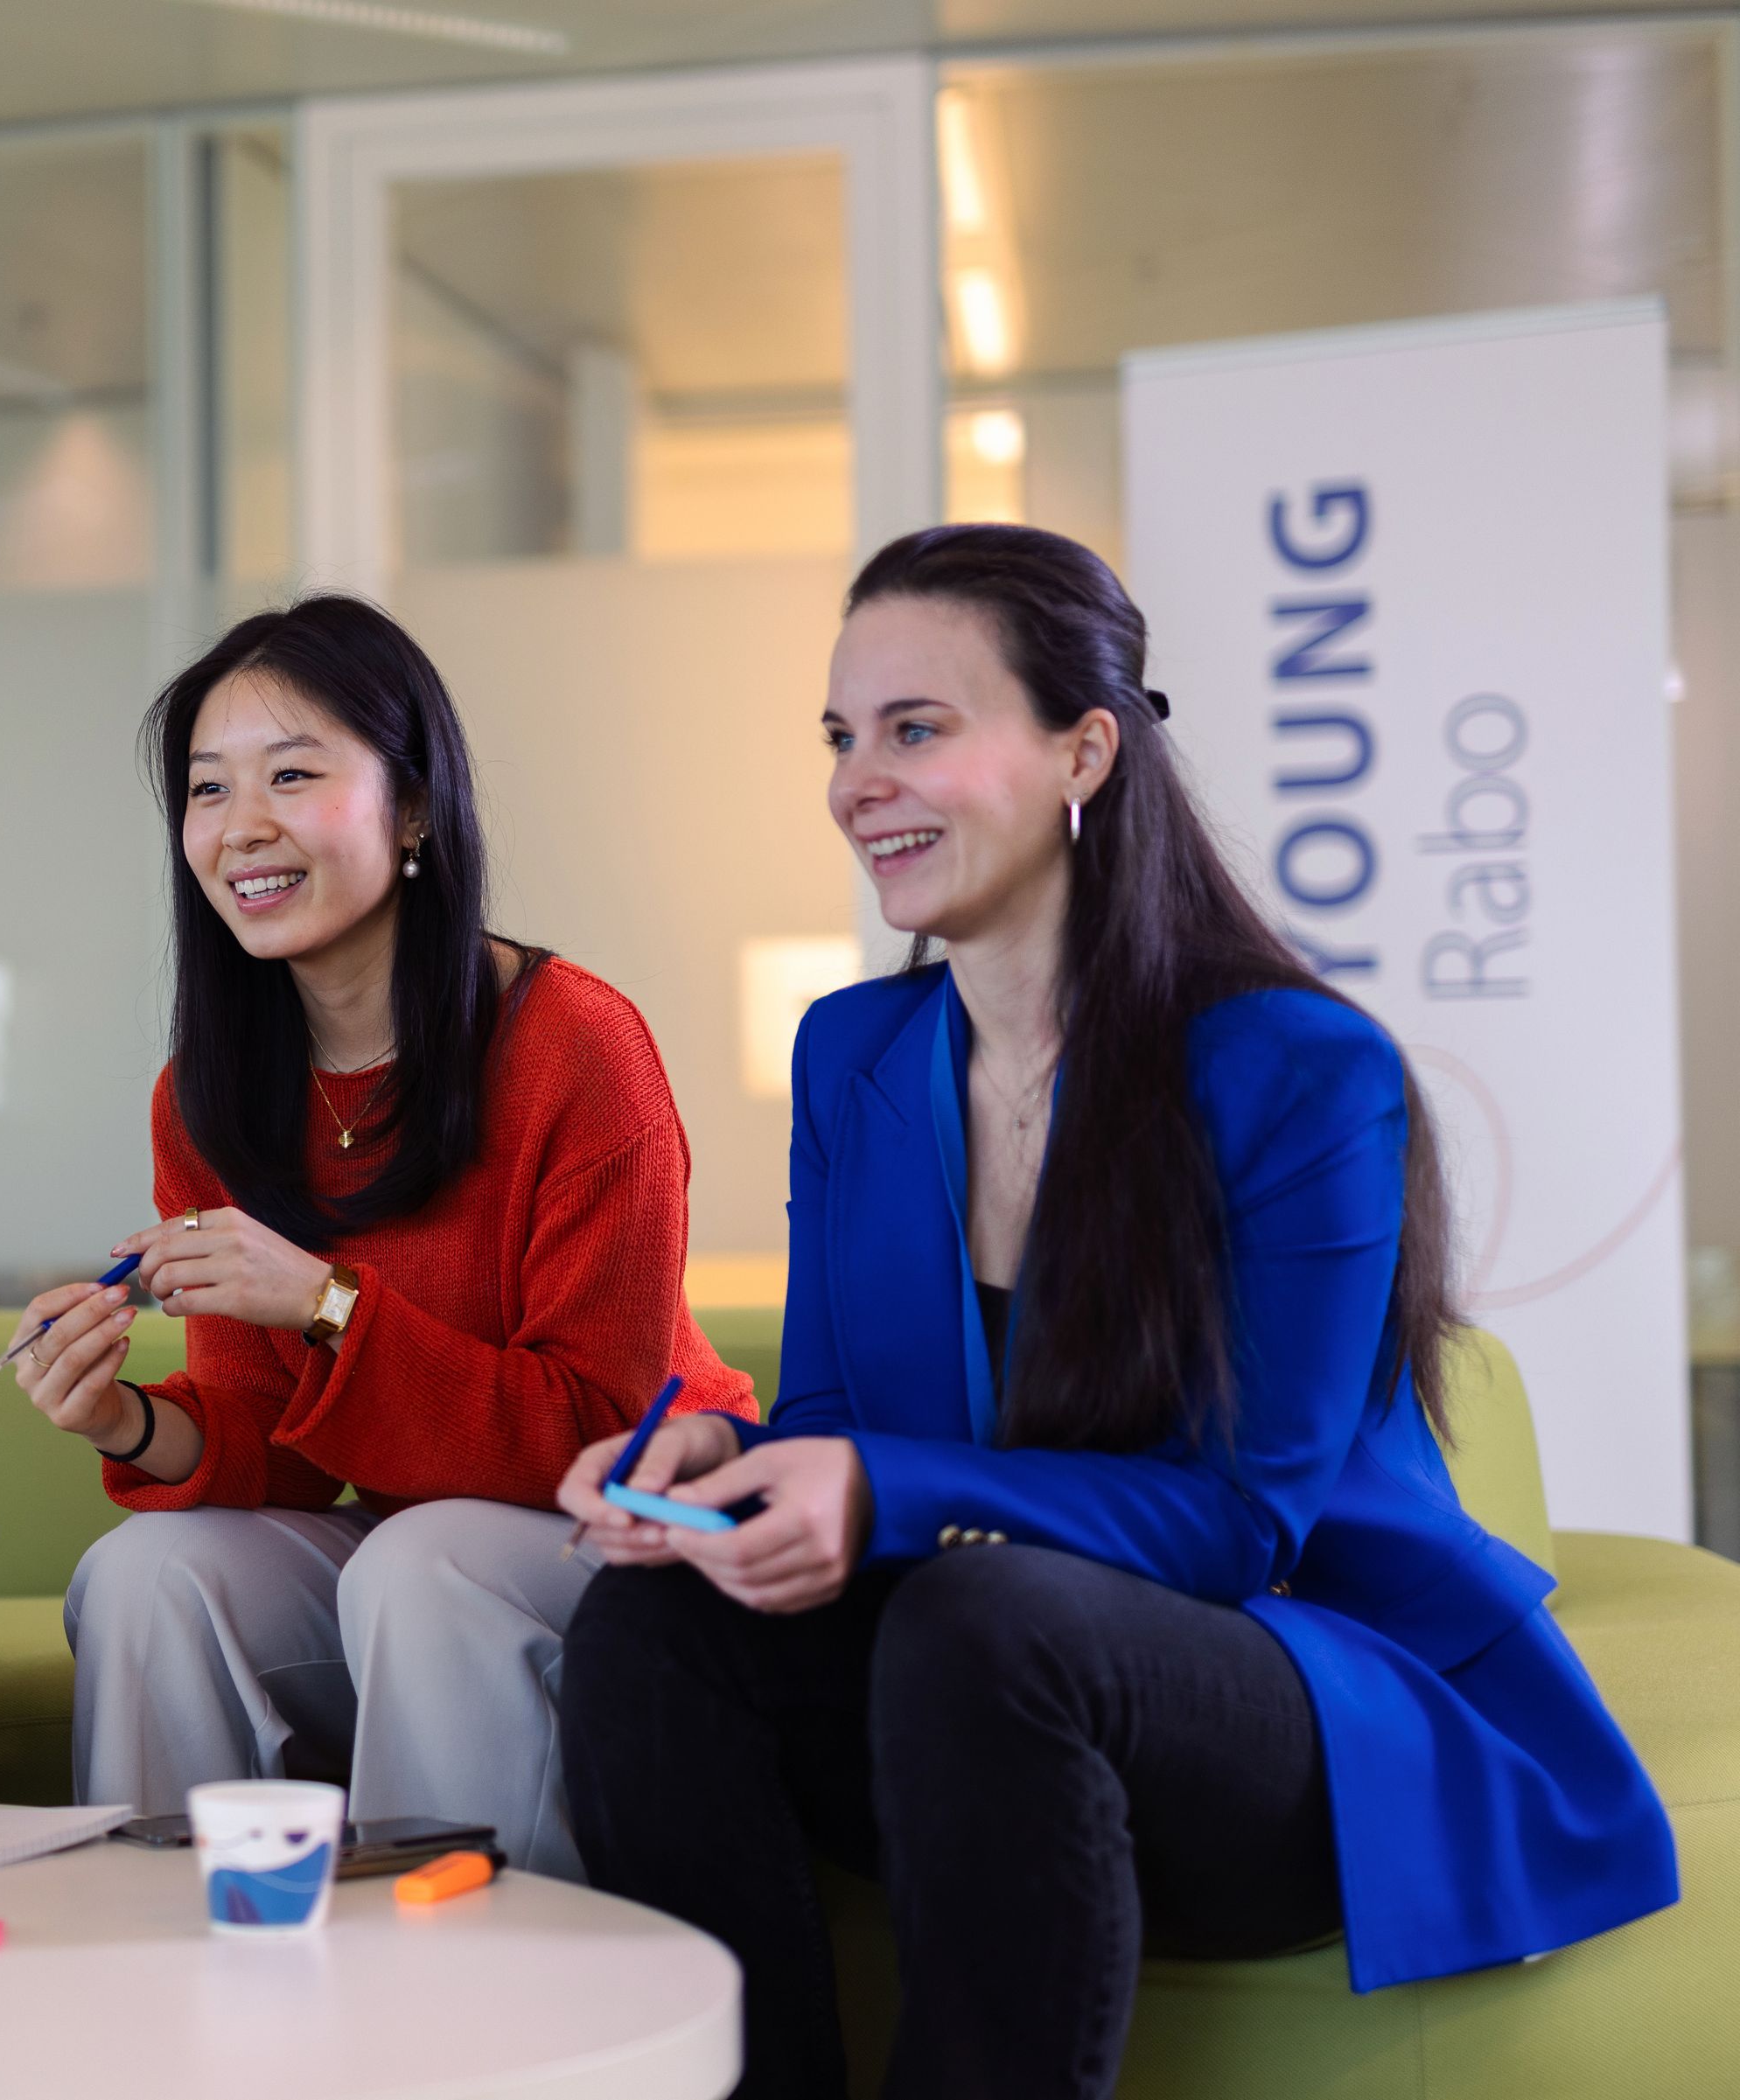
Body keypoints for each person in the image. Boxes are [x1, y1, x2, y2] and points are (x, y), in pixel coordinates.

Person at [554, 524, 1676, 2098]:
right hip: (972, 1708)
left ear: (1085, 747)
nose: (855, 781)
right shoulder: (853, 1055)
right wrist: (720, 1467)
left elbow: (1239, 1524)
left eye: (917, 729)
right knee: (654, 1623)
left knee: (983, 1614)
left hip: (1287, 1711)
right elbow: (831, 1423)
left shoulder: (1301, 1069)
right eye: (841, 737)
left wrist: (886, 1490)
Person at [13, 596, 755, 1880]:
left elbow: (601, 1429)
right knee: (150, 1572)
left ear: (412, 811)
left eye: (292, 775)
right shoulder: (208, 1095)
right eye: (206, 789)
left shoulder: (578, 1044)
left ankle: (473, 2018)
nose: (241, 826)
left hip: (640, 1538)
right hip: (414, 1557)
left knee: (421, 1562)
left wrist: (325, 1304)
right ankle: (163, 1994)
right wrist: (124, 1419)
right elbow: (280, 1459)